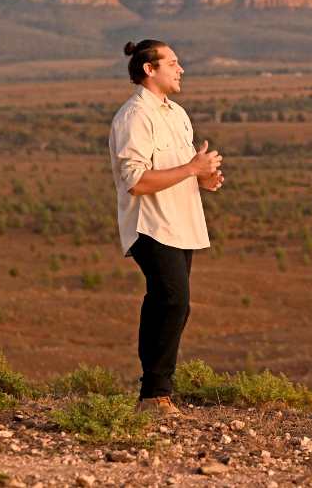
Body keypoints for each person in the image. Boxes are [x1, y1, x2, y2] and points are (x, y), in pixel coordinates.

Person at [109, 39, 224, 417]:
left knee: (171, 304)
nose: (181, 69)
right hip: (150, 225)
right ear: (149, 69)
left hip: (181, 222)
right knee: (172, 300)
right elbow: (136, 181)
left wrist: (203, 179)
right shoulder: (134, 116)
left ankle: (157, 394)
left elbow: (178, 172)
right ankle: (154, 395)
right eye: (173, 63)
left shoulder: (176, 114)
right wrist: (192, 168)